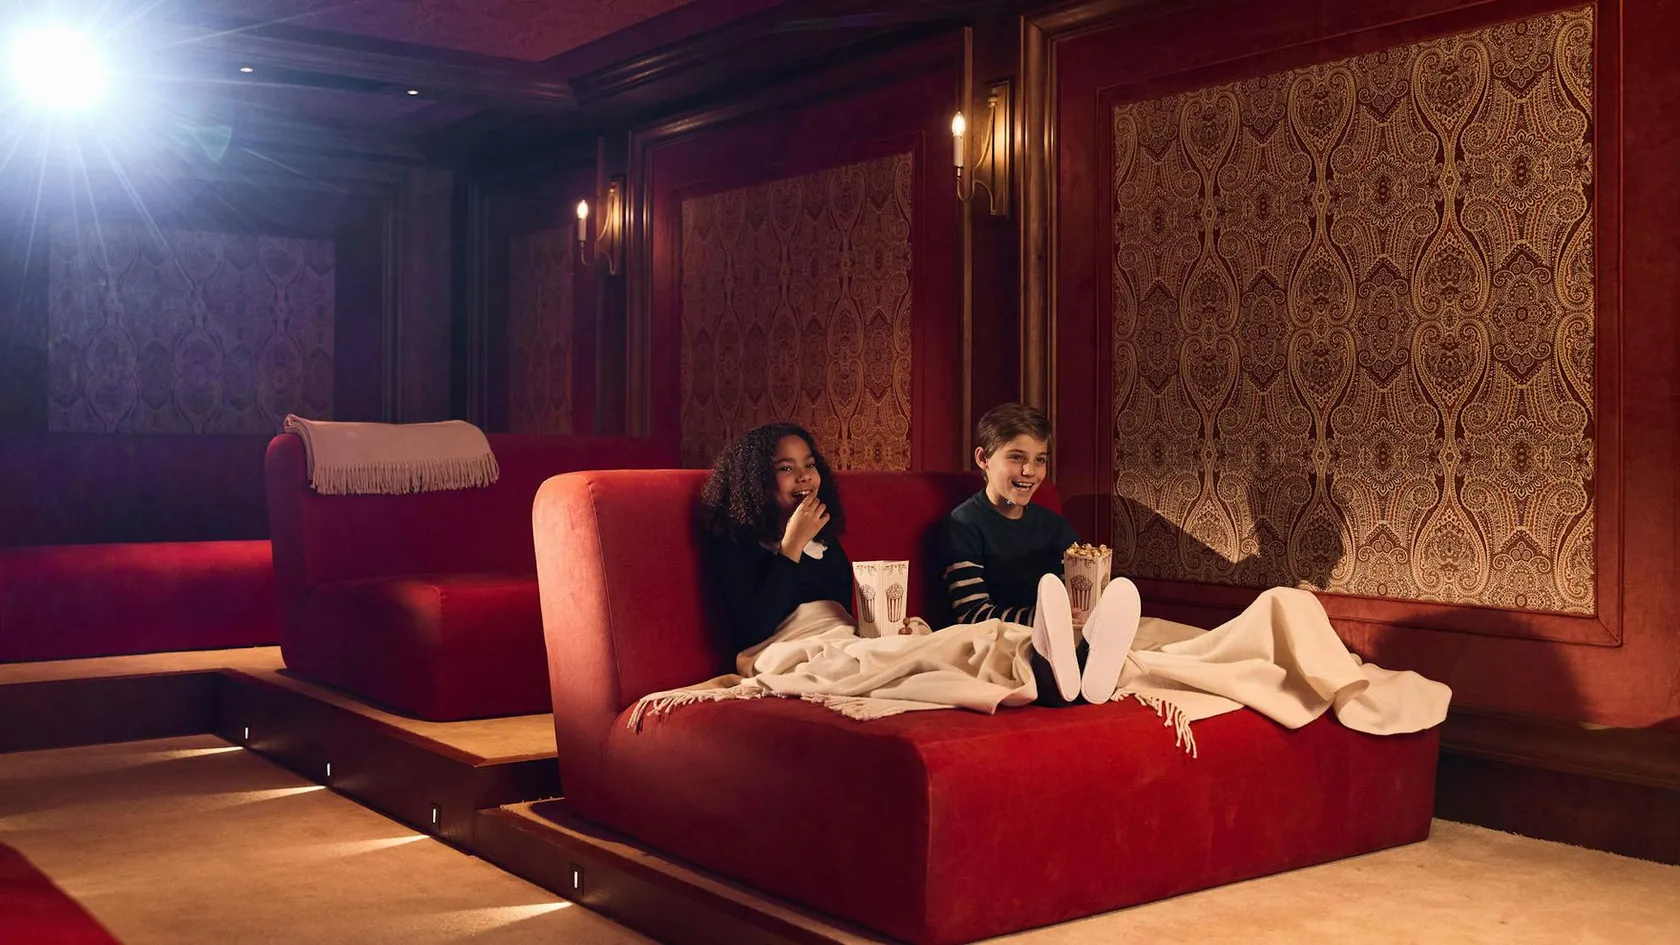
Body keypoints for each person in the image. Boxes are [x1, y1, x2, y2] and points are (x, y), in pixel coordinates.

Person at [698, 420, 1137, 708]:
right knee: (931, 656)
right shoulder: (735, 542)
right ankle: (1051, 676)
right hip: (782, 651)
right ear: (756, 481)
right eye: (786, 468)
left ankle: (1071, 663)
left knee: (944, 642)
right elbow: (753, 627)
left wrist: (885, 628)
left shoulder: (823, 538)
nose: (804, 477)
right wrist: (791, 546)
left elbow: (844, 611)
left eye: (809, 465)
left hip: (842, 638)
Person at [940, 403, 1140, 706]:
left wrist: (1080, 614)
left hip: (1064, 633)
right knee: (1015, 647)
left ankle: (1088, 661)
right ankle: (1062, 677)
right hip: (1000, 636)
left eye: (1040, 460)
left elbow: (1074, 598)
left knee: (1083, 629)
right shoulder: (963, 525)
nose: (1029, 471)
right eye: (1016, 457)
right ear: (983, 459)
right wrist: (1043, 620)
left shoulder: (1055, 527)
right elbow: (972, 615)